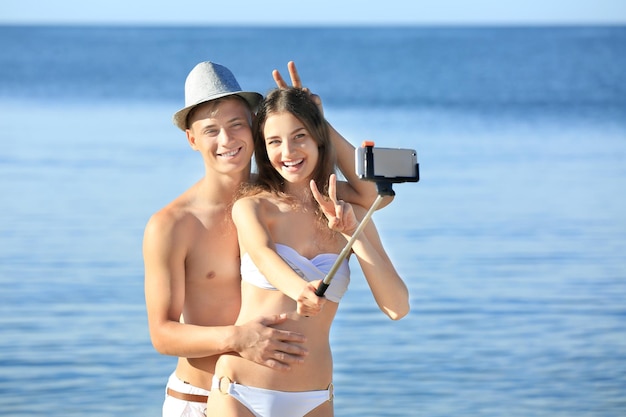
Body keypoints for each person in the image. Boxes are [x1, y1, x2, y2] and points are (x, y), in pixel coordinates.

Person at [143, 61, 384, 417]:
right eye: (211, 130)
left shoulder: (283, 199)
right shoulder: (172, 224)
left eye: (236, 125)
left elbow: (373, 192)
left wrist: (316, 121)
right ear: (192, 139)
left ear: (254, 130)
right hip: (198, 398)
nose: (226, 140)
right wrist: (237, 338)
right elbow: (162, 334)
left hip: (282, 396)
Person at [205, 87, 410, 417]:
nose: (288, 150)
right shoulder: (252, 206)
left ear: (318, 138)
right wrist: (300, 289)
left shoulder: (351, 214)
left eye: (300, 135)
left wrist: (351, 235)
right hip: (240, 393)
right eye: (274, 141)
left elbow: (397, 307)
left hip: (313, 400)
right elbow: (263, 255)